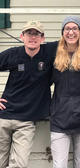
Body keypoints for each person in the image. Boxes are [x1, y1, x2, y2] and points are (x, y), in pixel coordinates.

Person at [0, 21, 57, 168]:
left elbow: (73, 37)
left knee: (19, 164)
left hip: (26, 121)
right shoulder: (13, 54)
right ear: (22, 36)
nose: (33, 37)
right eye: (29, 33)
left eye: (36, 34)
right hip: (3, 117)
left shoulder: (49, 52)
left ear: (43, 38)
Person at [50, 16, 80, 168]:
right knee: (59, 165)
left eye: (75, 28)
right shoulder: (53, 54)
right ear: (62, 32)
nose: (71, 32)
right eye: (67, 28)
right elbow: (36, 80)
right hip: (59, 119)